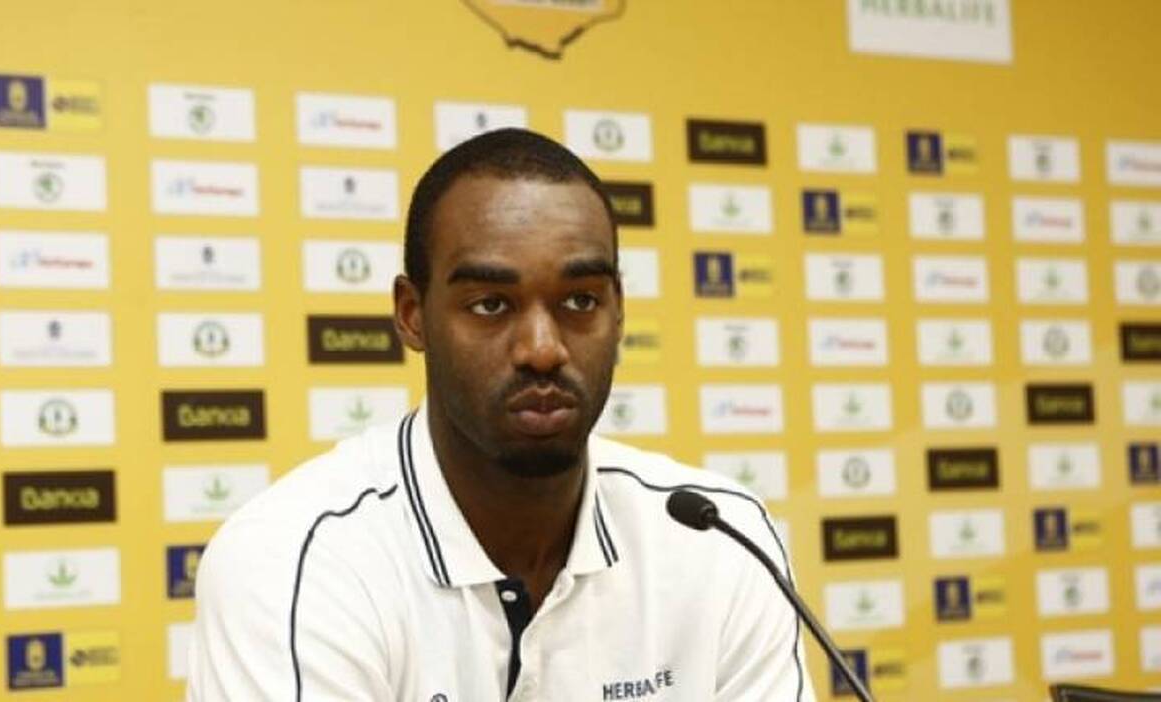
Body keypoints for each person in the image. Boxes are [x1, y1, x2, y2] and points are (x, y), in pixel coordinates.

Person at [187, 128, 814, 700]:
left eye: (580, 301)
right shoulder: (293, 560)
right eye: (490, 304)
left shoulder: (718, 539)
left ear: (618, 310)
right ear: (412, 314)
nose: (542, 348)